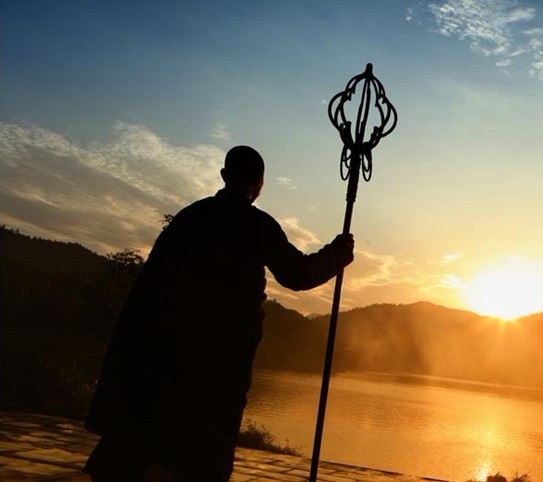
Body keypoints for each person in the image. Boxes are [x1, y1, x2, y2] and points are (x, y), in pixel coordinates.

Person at [83, 145, 354, 482]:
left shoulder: (190, 217)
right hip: (220, 360)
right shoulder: (255, 224)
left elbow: (152, 285)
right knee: (206, 450)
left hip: (165, 349)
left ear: (225, 176)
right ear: (259, 183)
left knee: (151, 435)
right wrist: (338, 254)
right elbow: (297, 273)